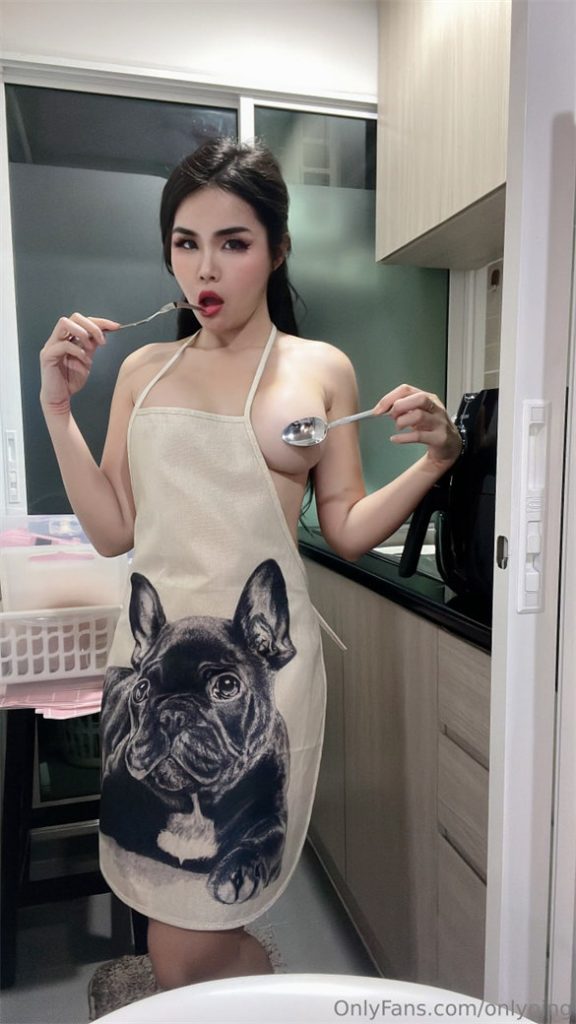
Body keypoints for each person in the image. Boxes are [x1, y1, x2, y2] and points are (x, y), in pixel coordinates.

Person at [39, 137, 462, 991]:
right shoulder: (143, 371)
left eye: (233, 242)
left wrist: (435, 461)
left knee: (189, 939)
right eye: (186, 243)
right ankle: (255, 990)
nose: (206, 268)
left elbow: (345, 528)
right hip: (153, 680)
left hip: (254, 690)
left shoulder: (320, 369)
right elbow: (114, 531)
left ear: (276, 249)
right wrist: (57, 409)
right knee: (174, 922)